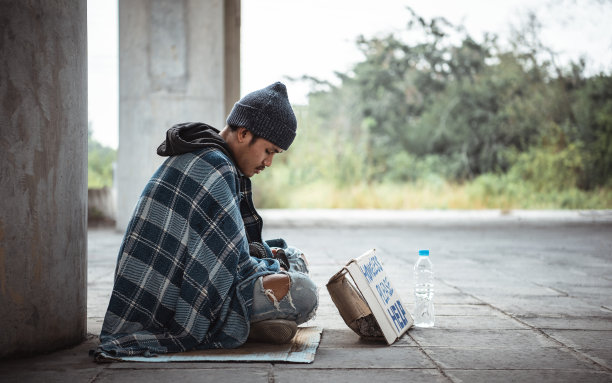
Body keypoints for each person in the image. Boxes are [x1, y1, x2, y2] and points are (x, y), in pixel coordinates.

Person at [95, 82, 318, 359]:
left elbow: (228, 251)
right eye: (269, 151)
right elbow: (237, 266)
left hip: (190, 283)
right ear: (244, 133)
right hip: (173, 305)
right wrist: (276, 265)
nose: (269, 162)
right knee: (304, 292)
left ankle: (252, 323)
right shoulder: (214, 165)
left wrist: (277, 260)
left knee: (293, 256)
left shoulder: (208, 153)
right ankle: (237, 325)